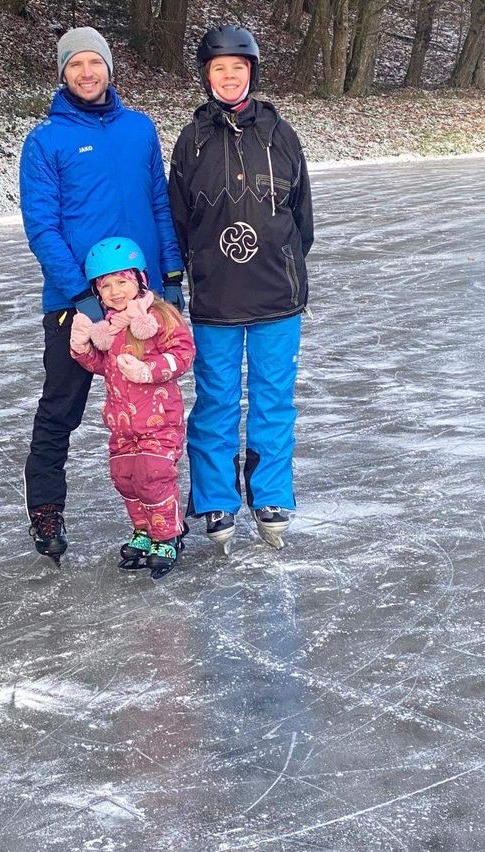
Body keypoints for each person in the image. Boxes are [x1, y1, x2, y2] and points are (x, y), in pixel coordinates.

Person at [20, 26, 184, 561]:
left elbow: (159, 205)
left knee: (157, 414)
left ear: (110, 68)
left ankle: (168, 518)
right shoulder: (45, 140)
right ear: (62, 73)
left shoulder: (140, 130)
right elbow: (42, 227)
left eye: (95, 62)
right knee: (60, 411)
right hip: (78, 308)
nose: (86, 73)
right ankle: (46, 514)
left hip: (144, 303)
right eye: (75, 65)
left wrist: (171, 280)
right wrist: (83, 299)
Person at [168, 25, 314, 552]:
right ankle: (215, 499)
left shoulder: (279, 133)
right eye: (218, 69)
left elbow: (304, 218)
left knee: (274, 399)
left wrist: (285, 261)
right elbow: (178, 217)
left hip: (277, 294)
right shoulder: (192, 139)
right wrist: (188, 272)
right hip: (216, 297)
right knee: (216, 401)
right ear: (206, 78)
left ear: (252, 73)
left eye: (238, 68)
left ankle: (272, 494)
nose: (229, 77)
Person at [69, 237, 195, 579]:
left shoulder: (158, 316)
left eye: (121, 281)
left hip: (159, 420)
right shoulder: (109, 326)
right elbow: (101, 365)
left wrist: (148, 370)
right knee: (126, 478)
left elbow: (182, 354)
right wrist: (82, 346)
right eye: (105, 285)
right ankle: (144, 531)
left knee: (153, 476)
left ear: (139, 280)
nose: (114, 291)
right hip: (122, 423)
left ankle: (167, 534)